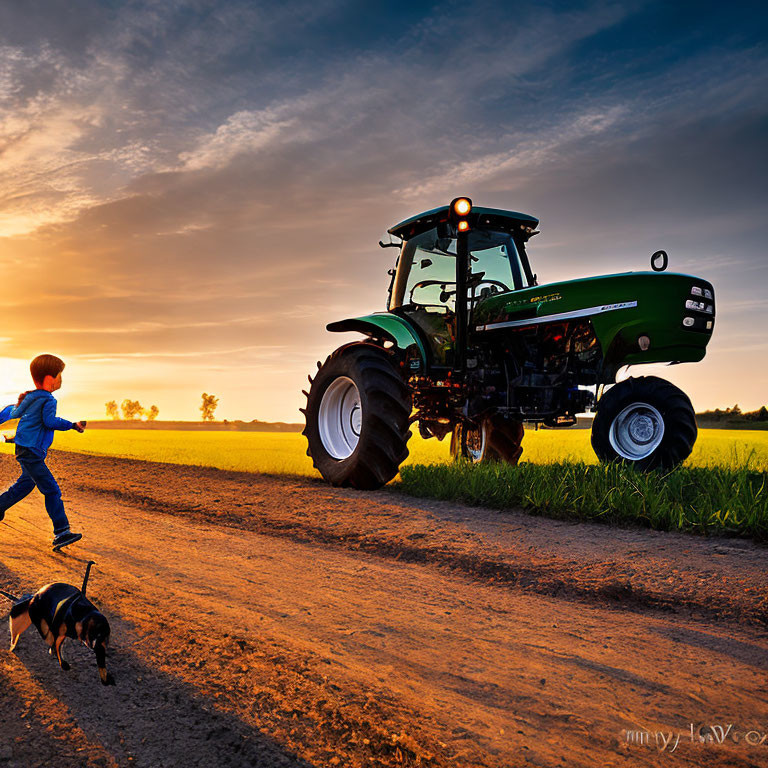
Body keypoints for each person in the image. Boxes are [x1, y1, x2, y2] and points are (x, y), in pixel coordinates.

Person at [0, 354, 86, 551]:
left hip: (27, 450)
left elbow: (20, 418)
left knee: (24, 485)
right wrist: (73, 425)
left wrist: (16, 439)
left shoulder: (31, 398)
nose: (61, 380)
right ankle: (62, 532)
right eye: (59, 375)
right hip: (32, 453)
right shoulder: (47, 400)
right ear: (49, 378)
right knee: (51, 489)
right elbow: (49, 422)